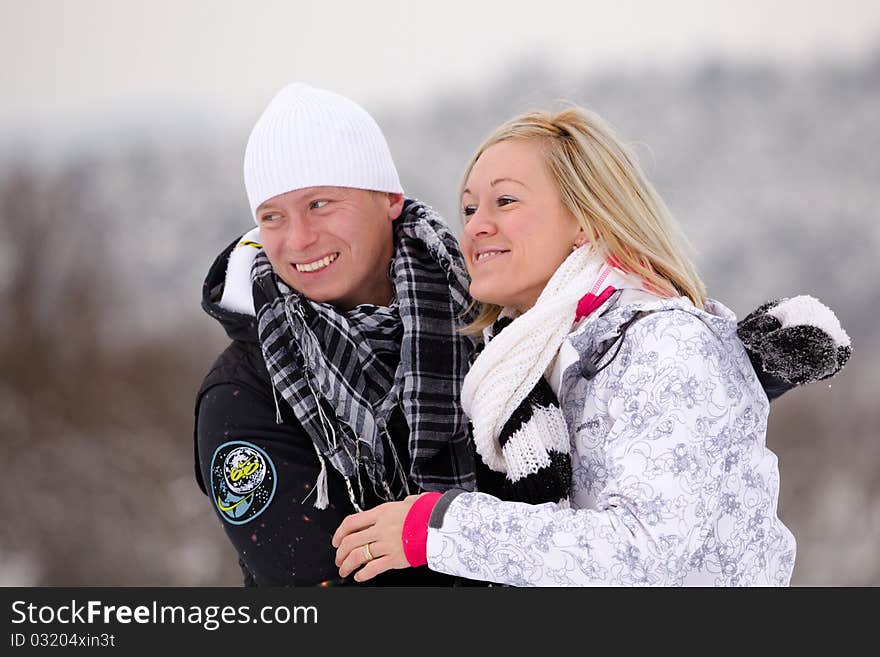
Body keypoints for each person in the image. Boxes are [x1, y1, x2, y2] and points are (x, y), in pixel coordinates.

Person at [331, 105, 853, 586]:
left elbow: (649, 554)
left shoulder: (665, 343)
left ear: (583, 220)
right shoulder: (515, 366)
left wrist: (440, 526)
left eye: (505, 201)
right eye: (468, 209)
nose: (476, 227)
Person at [194, 83, 480, 586]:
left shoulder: (484, 315)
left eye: (321, 203)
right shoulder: (244, 394)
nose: (299, 240)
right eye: (273, 217)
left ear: (390, 197)